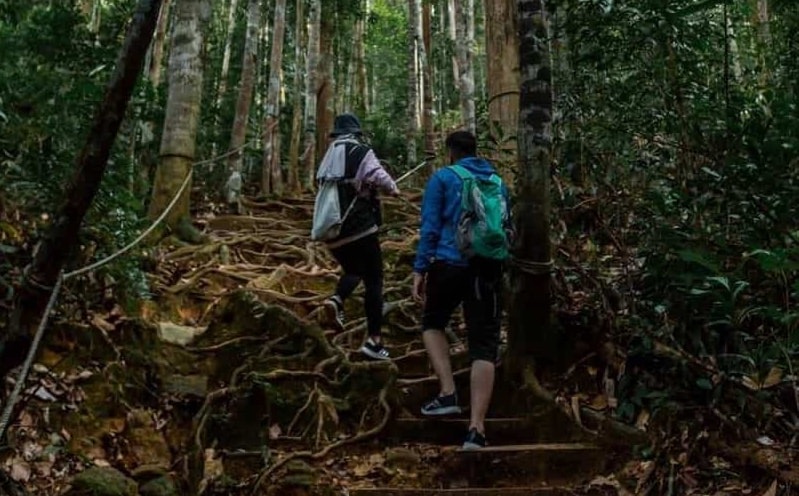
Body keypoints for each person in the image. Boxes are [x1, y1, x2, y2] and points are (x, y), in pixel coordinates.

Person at [411, 130, 511, 449]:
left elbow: (429, 226)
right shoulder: (497, 182)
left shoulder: (443, 178)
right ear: (475, 151)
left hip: (449, 263)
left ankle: (448, 392)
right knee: (484, 345)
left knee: (432, 323)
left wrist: (420, 268)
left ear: (451, 152)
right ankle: (476, 430)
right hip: (488, 268)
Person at [320, 113, 400, 360]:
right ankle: (374, 342)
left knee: (355, 270)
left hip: (332, 229)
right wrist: (393, 189)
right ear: (355, 133)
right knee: (375, 280)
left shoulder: (328, 156)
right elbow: (377, 174)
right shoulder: (360, 151)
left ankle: (337, 299)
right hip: (359, 228)